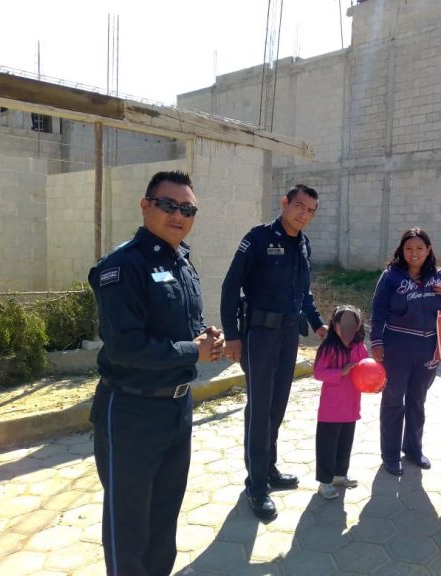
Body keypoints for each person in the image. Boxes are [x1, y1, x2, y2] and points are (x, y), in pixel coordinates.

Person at [88, 170, 225, 576]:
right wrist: (193, 350)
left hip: (177, 407)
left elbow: (184, 325)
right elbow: (124, 347)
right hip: (131, 410)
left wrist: (206, 338)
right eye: (168, 205)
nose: (178, 215)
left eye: (188, 209)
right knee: (129, 525)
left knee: (165, 516)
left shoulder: (182, 261)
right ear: (145, 206)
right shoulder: (122, 266)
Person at [221, 184, 328, 520]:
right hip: (259, 336)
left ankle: (268, 468)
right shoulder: (258, 238)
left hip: (288, 335)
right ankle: (255, 485)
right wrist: (232, 336)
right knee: (260, 408)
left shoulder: (304, 244)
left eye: (310, 211)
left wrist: (319, 324)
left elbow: (304, 293)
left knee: (277, 405)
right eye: (299, 206)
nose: (304, 215)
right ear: (285, 203)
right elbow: (230, 286)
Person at [371, 228, 441, 476]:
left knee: (417, 400)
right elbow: (378, 309)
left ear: (428, 250)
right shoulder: (390, 276)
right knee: (393, 399)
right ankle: (390, 455)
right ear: (402, 250)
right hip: (397, 347)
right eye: (409, 248)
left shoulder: (438, 277)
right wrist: (376, 341)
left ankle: (413, 449)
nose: (414, 253)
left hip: (428, 349)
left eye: (420, 248)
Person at [313, 304, 368, 499]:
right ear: (334, 325)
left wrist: (376, 382)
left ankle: (340, 475)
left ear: (358, 325)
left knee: (345, 443)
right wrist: (341, 372)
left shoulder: (359, 347)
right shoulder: (328, 347)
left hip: (351, 407)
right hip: (331, 409)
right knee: (327, 446)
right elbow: (318, 373)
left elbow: (367, 370)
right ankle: (324, 481)